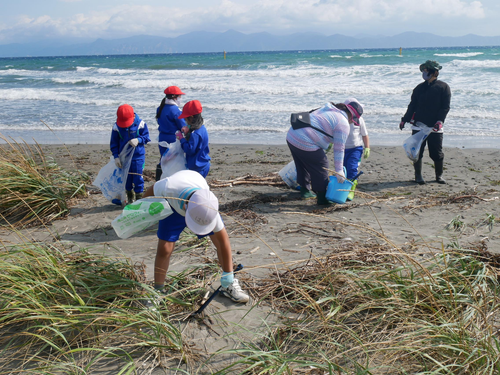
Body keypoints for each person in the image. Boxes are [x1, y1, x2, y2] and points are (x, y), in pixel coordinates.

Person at [143, 170, 249, 303]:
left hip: (199, 201)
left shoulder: (209, 208)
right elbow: (150, 191)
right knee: (165, 249)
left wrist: (229, 275)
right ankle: (157, 291)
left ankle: (228, 284)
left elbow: (224, 242)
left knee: (219, 240)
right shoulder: (168, 187)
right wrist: (139, 211)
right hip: (173, 206)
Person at [286, 101, 359, 205]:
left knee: (302, 164)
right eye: (354, 120)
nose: (353, 123)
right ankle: (322, 198)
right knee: (322, 165)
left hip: (292, 135)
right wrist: (339, 171)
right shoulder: (343, 123)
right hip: (305, 140)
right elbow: (339, 149)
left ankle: (305, 191)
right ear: (352, 117)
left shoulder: (329, 108)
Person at [400, 60, 451, 185]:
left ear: (435, 72)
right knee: (417, 151)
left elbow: (445, 107)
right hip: (418, 126)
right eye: (423, 70)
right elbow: (412, 105)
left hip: (435, 127)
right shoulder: (419, 88)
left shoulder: (443, 87)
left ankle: (439, 176)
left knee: (436, 153)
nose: (424, 73)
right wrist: (404, 119)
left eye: (427, 70)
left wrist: (440, 121)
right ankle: (418, 176)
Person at [110, 104, 151, 204]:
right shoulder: (116, 127)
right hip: (124, 157)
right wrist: (116, 157)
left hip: (138, 157)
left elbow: (147, 137)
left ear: (133, 116)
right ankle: (129, 197)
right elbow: (114, 143)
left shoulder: (140, 124)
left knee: (137, 177)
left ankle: (139, 198)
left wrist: (139, 139)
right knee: (127, 178)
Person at [155, 86, 187, 180]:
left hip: (162, 138)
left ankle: (161, 179)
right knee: (175, 162)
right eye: (180, 96)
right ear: (174, 97)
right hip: (173, 140)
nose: (180, 98)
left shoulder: (160, 108)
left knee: (164, 160)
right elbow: (183, 127)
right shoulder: (175, 110)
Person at [175, 100, 211, 178]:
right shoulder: (201, 128)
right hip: (202, 163)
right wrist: (188, 131)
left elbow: (189, 150)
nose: (185, 121)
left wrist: (181, 139)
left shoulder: (195, 134)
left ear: (191, 118)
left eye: (185, 119)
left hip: (197, 167)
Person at [343, 98, 370, 201]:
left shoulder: (359, 120)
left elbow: (365, 135)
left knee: (352, 167)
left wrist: (367, 148)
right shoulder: (342, 120)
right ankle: (345, 187)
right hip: (343, 149)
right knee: (343, 168)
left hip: (356, 149)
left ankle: (352, 189)